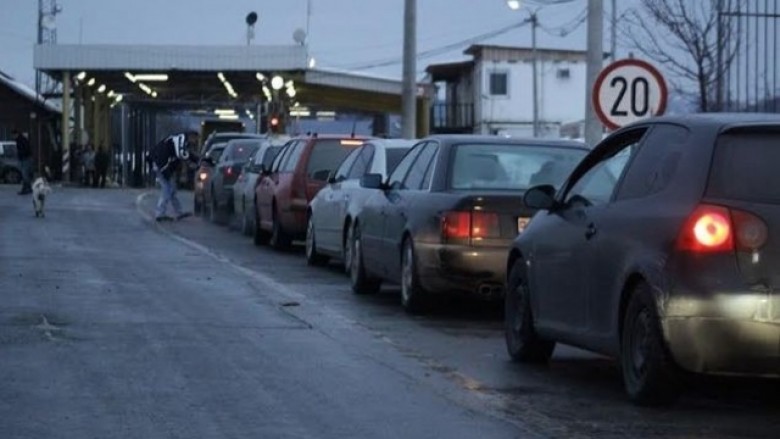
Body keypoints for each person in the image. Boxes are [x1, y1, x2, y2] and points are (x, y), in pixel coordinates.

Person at [150, 133, 197, 222]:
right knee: (167, 190)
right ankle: (160, 213)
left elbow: (186, 155)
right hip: (161, 166)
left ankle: (178, 212)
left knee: (172, 190)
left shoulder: (178, 144)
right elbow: (182, 156)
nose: (195, 141)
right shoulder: (179, 142)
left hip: (162, 166)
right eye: (195, 139)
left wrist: (196, 160)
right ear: (191, 137)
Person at [13, 129, 32, 195]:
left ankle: (25, 188)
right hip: (24, 158)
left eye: (14, 135)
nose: (13, 137)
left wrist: (21, 154)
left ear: (16, 134)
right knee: (25, 174)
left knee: (24, 174)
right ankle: (28, 188)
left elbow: (25, 149)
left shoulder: (21, 140)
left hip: (25, 158)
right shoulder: (21, 139)